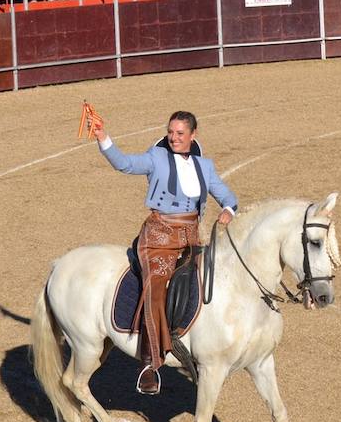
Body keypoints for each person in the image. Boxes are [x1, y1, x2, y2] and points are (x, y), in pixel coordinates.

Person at [91, 111, 237, 395]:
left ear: (193, 135)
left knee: (214, 283)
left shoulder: (204, 166)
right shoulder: (156, 157)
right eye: (171, 132)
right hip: (158, 236)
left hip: (191, 237)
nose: (174, 138)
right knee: (156, 285)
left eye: (180, 134)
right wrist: (102, 138)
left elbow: (227, 196)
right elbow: (124, 164)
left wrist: (229, 210)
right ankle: (150, 362)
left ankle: (197, 348)